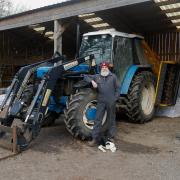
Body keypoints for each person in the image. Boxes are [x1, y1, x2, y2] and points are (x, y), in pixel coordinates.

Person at [84, 62, 119, 149]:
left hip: (111, 101)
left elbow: (118, 88)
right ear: (101, 68)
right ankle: (95, 138)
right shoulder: (97, 76)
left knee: (111, 119)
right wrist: (92, 81)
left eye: (105, 67)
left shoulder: (113, 77)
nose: (104, 68)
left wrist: (114, 99)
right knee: (97, 119)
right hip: (101, 101)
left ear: (108, 68)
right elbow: (85, 76)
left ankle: (110, 138)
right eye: (102, 67)